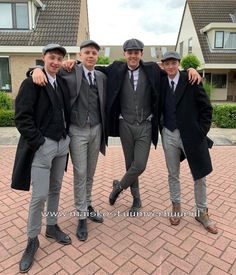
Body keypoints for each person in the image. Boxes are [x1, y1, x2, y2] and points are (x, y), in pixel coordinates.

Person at [95, 39, 201, 216]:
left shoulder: (152, 69)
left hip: (145, 125)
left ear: (141, 54)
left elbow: (172, 72)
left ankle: (118, 188)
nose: (133, 55)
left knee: (140, 165)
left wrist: (189, 69)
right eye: (130, 52)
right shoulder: (116, 68)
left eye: (136, 52)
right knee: (130, 164)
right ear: (125, 54)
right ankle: (136, 200)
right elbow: (94, 69)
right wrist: (72, 62)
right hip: (125, 124)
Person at [29, 40, 107, 241]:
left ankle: (88, 205)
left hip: (96, 129)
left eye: (94, 53)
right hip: (77, 131)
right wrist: (35, 69)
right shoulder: (69, 71)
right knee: (80, 173)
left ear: (97, 57)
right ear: (80, 55)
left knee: (90, 172)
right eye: (87, 52)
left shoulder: (101, 76)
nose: (90, 56)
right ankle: (81, 216)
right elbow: (48, 70)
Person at [11, 44, 72, 273]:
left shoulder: (62, 82)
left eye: (59, 58)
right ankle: (32, 239)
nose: (55, 62)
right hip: (43, 146)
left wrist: (65, 138)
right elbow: (21, 117)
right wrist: (39, 142)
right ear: (43, 58)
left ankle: (52, 226)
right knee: (39, 195)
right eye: (51, 58)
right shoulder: (31, 82)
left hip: (62, 144)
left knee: (56, 189)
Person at [159, 51, 218, 234]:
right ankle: (176, 207)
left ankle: (202, 212)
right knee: (173, 173)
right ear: (163, 65)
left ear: (179, 63)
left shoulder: (191, 80)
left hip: (192, 135)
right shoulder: (160, 81)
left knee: (199, 174)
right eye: (167, 63)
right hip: (168, 133)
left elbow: (206, 108)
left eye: (173, 63)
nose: (170, 66)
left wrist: (200, 132)